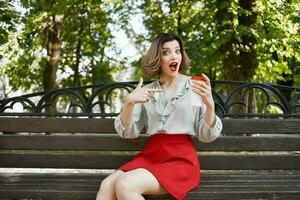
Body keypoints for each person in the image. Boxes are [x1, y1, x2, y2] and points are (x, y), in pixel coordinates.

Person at [96, 33, 222, 200]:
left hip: (180, 159)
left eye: (177, 51)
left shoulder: (195, 86)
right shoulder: (147, 90)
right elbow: (129, 133)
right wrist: (129, 104)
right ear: (158, 58)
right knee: (106, 186)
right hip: (152, 154)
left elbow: (206, 136)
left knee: (126, 184)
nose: (174, 56)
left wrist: (210, 106)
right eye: (166, 52)